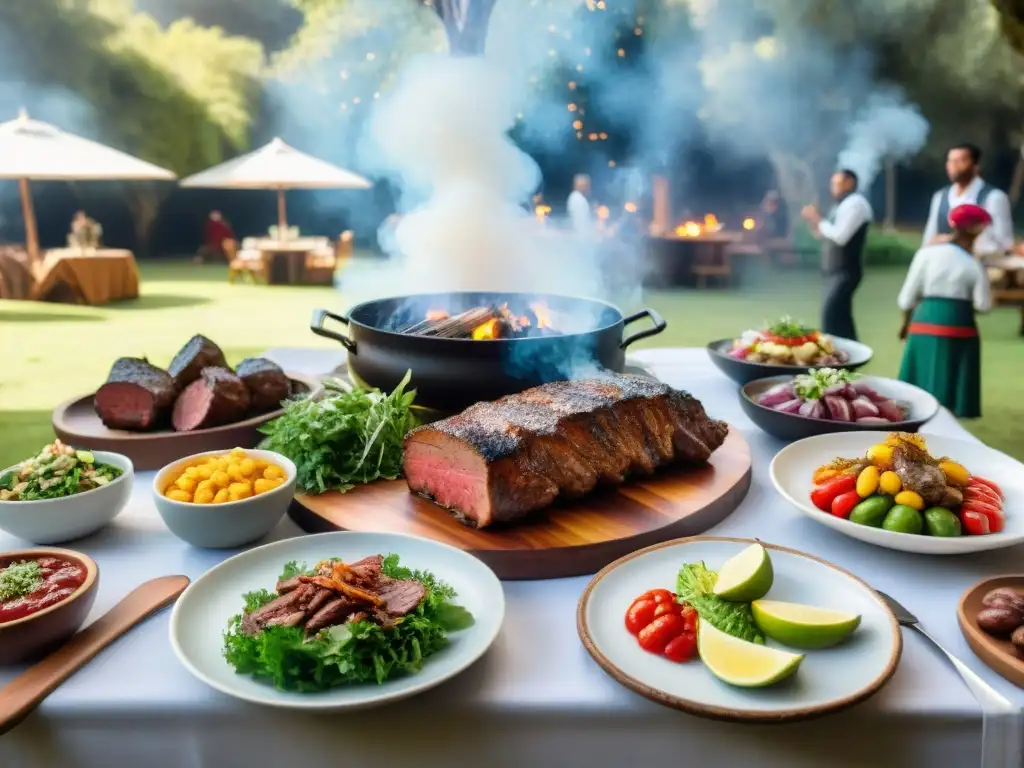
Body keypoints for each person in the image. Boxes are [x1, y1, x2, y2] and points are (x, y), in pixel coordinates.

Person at [897, 204, 993, 418]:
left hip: (923, 323)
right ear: (976, 230)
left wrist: (905, 325)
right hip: (960, 328)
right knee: (950, 403)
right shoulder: (973, 264)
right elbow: (983, 305)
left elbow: (906, 300)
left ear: (952, 224)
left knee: (915, 398)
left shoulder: (926, 254)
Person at [800, 169, 873, 341]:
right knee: (841, 320)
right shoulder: (841, 205)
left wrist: (819, 219)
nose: (832, 187)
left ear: (849, 182)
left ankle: (834, 362)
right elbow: (824, 233)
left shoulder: (855, 203)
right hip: (834, 272)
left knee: (830, 318)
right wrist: (814, 221)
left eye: (836, 183)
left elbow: (840, 236)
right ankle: (852, 357)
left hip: (845, 271)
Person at [922, 143, 1014, 258]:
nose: (953, 165)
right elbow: (929, 239)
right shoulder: (940, 197)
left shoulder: (994, 197)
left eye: (960, 161)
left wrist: (956, 241)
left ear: (975, 166)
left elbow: (1004, 243)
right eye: (950, 161)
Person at [567, 174, 594, 239]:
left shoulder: (575, 197)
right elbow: (582, 222)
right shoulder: (579, 200)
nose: (590, 189)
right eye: (588, 186)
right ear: (583, 186)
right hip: (580, 237)